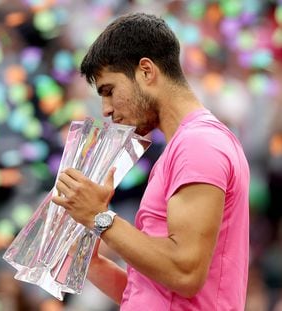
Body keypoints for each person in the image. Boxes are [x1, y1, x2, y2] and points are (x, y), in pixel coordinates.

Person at [51, 12, 250, 310]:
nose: (105, 109)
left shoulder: (199, 144)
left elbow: (185, 273)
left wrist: (100, 218)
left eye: (109, 91)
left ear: (146, 71)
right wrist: (89, 259)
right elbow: (151, 294)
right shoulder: (183, 146)